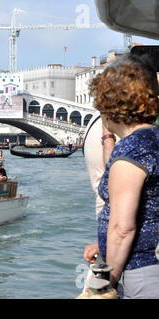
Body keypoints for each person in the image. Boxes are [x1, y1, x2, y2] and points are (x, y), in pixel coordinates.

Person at [82, 53, 159, 299]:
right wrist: (103, 245)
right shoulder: (154, 139)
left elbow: (123, 228)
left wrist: (105, 282)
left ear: (110, 105)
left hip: (139, 272)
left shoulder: (132, 149)